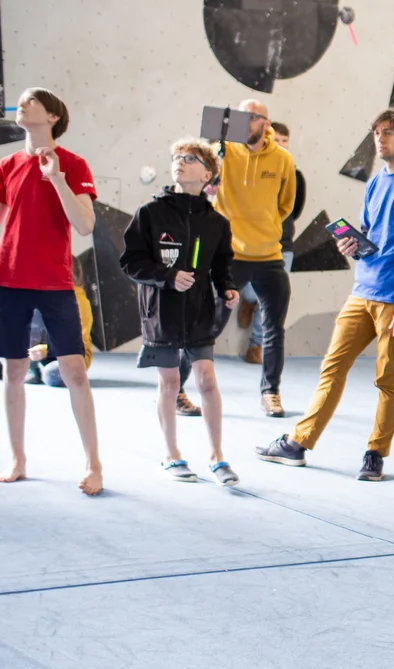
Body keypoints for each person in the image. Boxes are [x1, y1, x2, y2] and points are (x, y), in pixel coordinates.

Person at [255, 106, 394, 481]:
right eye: (377, 132)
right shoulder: (375, 183)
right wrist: (352, 247)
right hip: (362, 291)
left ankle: (375, 454)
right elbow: (369, 235)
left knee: (387, 380)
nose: (380, 139)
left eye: (388, 132)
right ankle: (298, 443)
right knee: (332, 368)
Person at [119, 139, 241, 486]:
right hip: (161, 313)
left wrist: (228, 288)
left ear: (207, 174)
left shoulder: (216, 222)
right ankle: (171, 454)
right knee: (170, 381)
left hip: (200, 313)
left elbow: (221, 265)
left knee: (206, 380)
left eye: (190, 159)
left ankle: (217, 457)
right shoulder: (150, 213)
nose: (180, 163)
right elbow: (131, 261)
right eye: (176, 158)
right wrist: (168, 277)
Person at [0, 87, 103, 495]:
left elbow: (84, 225)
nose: (22, 106)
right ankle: (18, 458)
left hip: (55, 282)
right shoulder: (7, 166)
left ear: (53, 116)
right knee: (13, 371)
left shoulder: (74, 164)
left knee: (75, 370)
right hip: (9, 281)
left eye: (31, 101)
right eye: (21, 101)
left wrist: (56, 178)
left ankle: (94, 465)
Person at [210, 99, 296, 417]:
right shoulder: (222, 152)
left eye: (252, 117)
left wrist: (264, 225)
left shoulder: (283, 159)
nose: (245, 122)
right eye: (240, 117)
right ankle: (178, 385)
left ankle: (271, 392)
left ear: (265, 122)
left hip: (269, 254)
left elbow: (285, 205)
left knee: (274, 327)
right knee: (210, 321)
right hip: (229, 254)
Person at [238, 120, 305, 365]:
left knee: (272, 300)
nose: (281, 145)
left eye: (285, 141)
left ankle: (256, 345)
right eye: (277, 140)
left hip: (282, 246)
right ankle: (248, 299)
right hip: (249, 243)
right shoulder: (250, 169)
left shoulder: (296, 174)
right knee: (251, 291)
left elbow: (294, 209)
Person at [26, 257, 94, 388]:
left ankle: (49, 372)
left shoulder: (78, 302)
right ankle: (29, 368)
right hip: (41, 354)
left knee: (52, 375)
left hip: (72, 356)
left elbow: (75, 342)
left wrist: (46, 350)